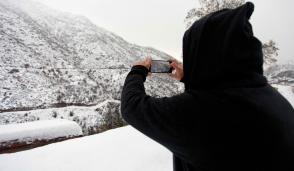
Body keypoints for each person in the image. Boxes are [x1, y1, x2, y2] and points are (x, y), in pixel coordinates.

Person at [121, 2, 294, 171]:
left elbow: (132, 107)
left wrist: (138, 71)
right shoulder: (272, 99)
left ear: (203, 54)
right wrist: (189, 78)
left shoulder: (205, 111)